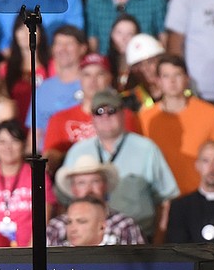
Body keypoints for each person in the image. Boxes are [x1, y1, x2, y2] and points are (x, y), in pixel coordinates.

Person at [61, 88, 180, 240]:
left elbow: (166, 201)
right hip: (86, 244)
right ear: (92, 117)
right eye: (99, 111)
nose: (105, 116)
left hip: (140, 242)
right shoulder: (78, 151)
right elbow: (65, 202)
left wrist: (157, 245)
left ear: (123, 114)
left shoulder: (146, 149)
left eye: (111, 110)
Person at [139, 55, 214, 195]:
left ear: (187, 78)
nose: (172, 81)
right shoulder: (145, 117)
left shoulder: (210, 114)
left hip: (199, 195)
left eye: (177, 75)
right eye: (166, 76)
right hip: (160, 197)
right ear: (158, 81)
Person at [42, 52, 140, 171]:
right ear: (80, 79)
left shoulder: (123, 116)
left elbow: (135, 153)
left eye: (100, 74)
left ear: (109, 78)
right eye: (87, 75)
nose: (93, 81)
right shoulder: (59, 119)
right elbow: (49, 159)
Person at [0, 119, 55, 247]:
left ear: (23, 144)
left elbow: (42, 222)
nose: (8, 147)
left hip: (29, 251)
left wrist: (30, 253)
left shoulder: (37, 176)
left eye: (14, 141)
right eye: (2, 142)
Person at [47, 156, 146, 245]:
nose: (89, 189)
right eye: (81, 183)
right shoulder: (56, 228)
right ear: (73, 189)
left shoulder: (125, 226)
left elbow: (139, 264)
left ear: (105, 185)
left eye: (95, 181)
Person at [21, 23, 87, 138]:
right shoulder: (43, 89)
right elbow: (35, 136)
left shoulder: (93, 85)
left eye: (69, 44)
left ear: (82, 48)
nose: (63, 49)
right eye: (58, 44)